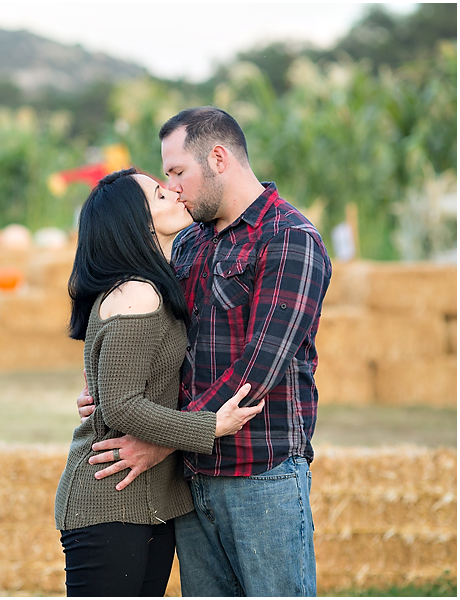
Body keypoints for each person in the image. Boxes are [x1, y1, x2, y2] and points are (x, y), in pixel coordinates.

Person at [77, 107, 332, 596]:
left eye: (177, 172)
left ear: (218, 158)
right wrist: (109, 383)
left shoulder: (289, 238)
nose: (172, 187)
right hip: (191, 482)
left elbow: (258, 370)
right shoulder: (190, 241)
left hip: (260, 476)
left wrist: (163, 440)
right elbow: (155, 339)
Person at [55, 167, 265, 597]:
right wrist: (211, 426)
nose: (172, 192)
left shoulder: (153, 284)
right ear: (137, 222)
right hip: (108, 500)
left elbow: (118, 389)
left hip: (144, 502)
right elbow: (120, 406)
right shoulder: (137, 292)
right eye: (158, 194)